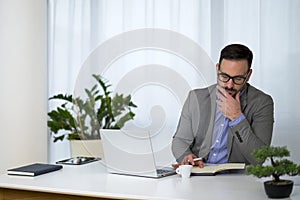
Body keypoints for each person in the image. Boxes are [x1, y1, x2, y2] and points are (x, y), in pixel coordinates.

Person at [171, 44, 274, 168]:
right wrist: (186, 157)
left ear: (248, 75)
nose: (230, 85)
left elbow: (259, 158)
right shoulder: (196, 98)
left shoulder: (262, 103)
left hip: (237, 179)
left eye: (238, 79)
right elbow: (180, 141)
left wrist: (237, 118)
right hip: (199, 175)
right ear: (217, 69)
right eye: (224, 76)